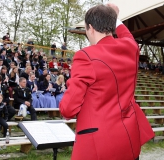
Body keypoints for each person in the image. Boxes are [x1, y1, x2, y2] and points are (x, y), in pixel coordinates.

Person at [59, 4, 154, 160]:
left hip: (98, 145)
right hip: (128, 139)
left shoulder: (86, 56)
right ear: (112, 25)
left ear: (90, 27)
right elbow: (127, 36)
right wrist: (115, 18)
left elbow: (68, 109)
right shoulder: (131, 48)